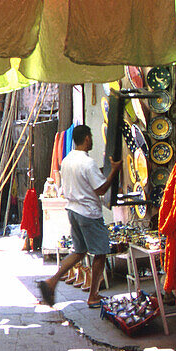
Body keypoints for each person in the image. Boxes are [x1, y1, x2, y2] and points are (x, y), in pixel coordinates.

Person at [36, 124, 122, 309]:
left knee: (79, 252)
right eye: (91, 137)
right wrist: (114, 170)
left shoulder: (67, 160)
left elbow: (83, 180)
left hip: (74, 211)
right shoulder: (87, 162)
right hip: (88, 213)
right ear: (87, 138)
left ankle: (52, 281)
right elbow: (101, 189)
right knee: (100, 253)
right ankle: (93, 296)